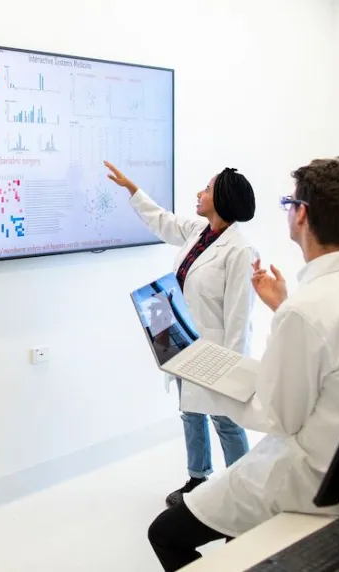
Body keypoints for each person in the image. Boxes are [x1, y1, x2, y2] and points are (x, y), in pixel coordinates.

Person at [146, 157, 339, 571]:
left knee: (164, 533)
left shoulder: (305, 311)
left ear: (301, 214)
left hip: (310, 478)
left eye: (288, 203)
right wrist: (282, 306)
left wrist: (202, 372)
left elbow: (277, 418)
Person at [104, 161, 256, 507]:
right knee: (190, 411)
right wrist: (132, 189)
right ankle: (197, 478)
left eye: (207, 188)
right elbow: (162, 220)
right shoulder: (199, 232)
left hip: (217, 351)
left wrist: (233, 370)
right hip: (183, 343)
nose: (199, 193)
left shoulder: (240, 250)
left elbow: (239, 316)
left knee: (226, 420)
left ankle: (244, 489)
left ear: (222, 198)